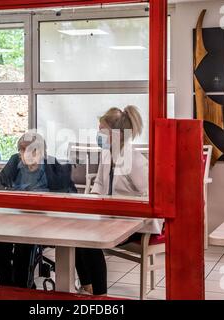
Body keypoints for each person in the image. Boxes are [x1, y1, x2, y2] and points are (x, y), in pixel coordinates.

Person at [75, 106, 163, 296]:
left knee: (92, 242)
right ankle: (87, 286)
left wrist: (123, 211)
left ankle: (101, 295)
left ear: (118, 135)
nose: (98, 134)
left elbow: (148, 195)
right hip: (111, 217)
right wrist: (88, 203)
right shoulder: (107, 155)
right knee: (78, 235)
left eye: (102, 130)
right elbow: (99, 183)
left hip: (135, 223)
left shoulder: (135, 160)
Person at [0, 132, 76, 288]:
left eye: (32, 151)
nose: (26, 155)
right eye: (22, 151)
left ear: (42, 152)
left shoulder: (51, 164)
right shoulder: (15, 161)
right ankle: (6, 284)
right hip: (13, 217)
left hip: (40, 219)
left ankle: (22, 286)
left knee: (24, 244)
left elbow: (68, 194)